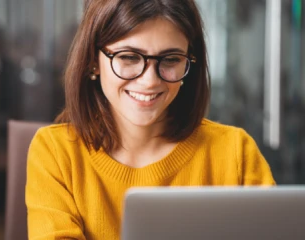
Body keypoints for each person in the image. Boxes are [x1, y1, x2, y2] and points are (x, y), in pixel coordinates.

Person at [26, 0, 276, 239]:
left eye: (170, 60)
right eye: (128, 57)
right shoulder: (56, 153)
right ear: (93, 61)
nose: (150, 81)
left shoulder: (235, 152)